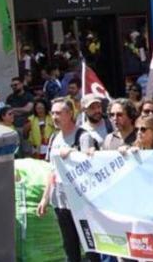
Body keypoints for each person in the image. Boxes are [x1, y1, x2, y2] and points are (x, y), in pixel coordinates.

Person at [36, 97, 101, 262]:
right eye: (53, 113)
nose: (55, 117)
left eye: (58, 113)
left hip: (81, 201)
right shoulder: (54, 138)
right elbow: (52, 171)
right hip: (60, 201)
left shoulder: (83, 136)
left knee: (90, 247)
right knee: (70, 246)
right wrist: (44, 199)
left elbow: (89, 164)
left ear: (69, 113)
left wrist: (72, 152)